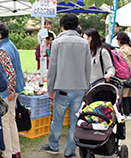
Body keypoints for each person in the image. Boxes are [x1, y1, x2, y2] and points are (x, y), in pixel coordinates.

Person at [41, 13, 91, 158]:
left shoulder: (57, 42)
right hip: (80, 87)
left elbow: (53, 68)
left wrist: (50, 88)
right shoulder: (84, 43)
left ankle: (54, 146)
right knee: (75, 121)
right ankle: (70, 151)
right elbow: (88, 68)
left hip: (62, 87)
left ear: (62, 26)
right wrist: (86, 87)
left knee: (57, 119)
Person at [0, 21, 25, 158]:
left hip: (7, 91)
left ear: (0, 35)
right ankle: (15, 151)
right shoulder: (10, 45)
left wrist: (10, 91)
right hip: (13, 89)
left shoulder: (2, 50)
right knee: (11, 120)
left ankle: (7, 153)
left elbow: (10, 73)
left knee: (5, 122)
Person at [116, 32, 131, 120]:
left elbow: (126, 64)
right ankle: (130, 112)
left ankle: (126, 113)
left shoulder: (122, 51)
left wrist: (130, 73)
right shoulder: (130, 49)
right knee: (129, 94)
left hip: (125, 75)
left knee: (124, 95)